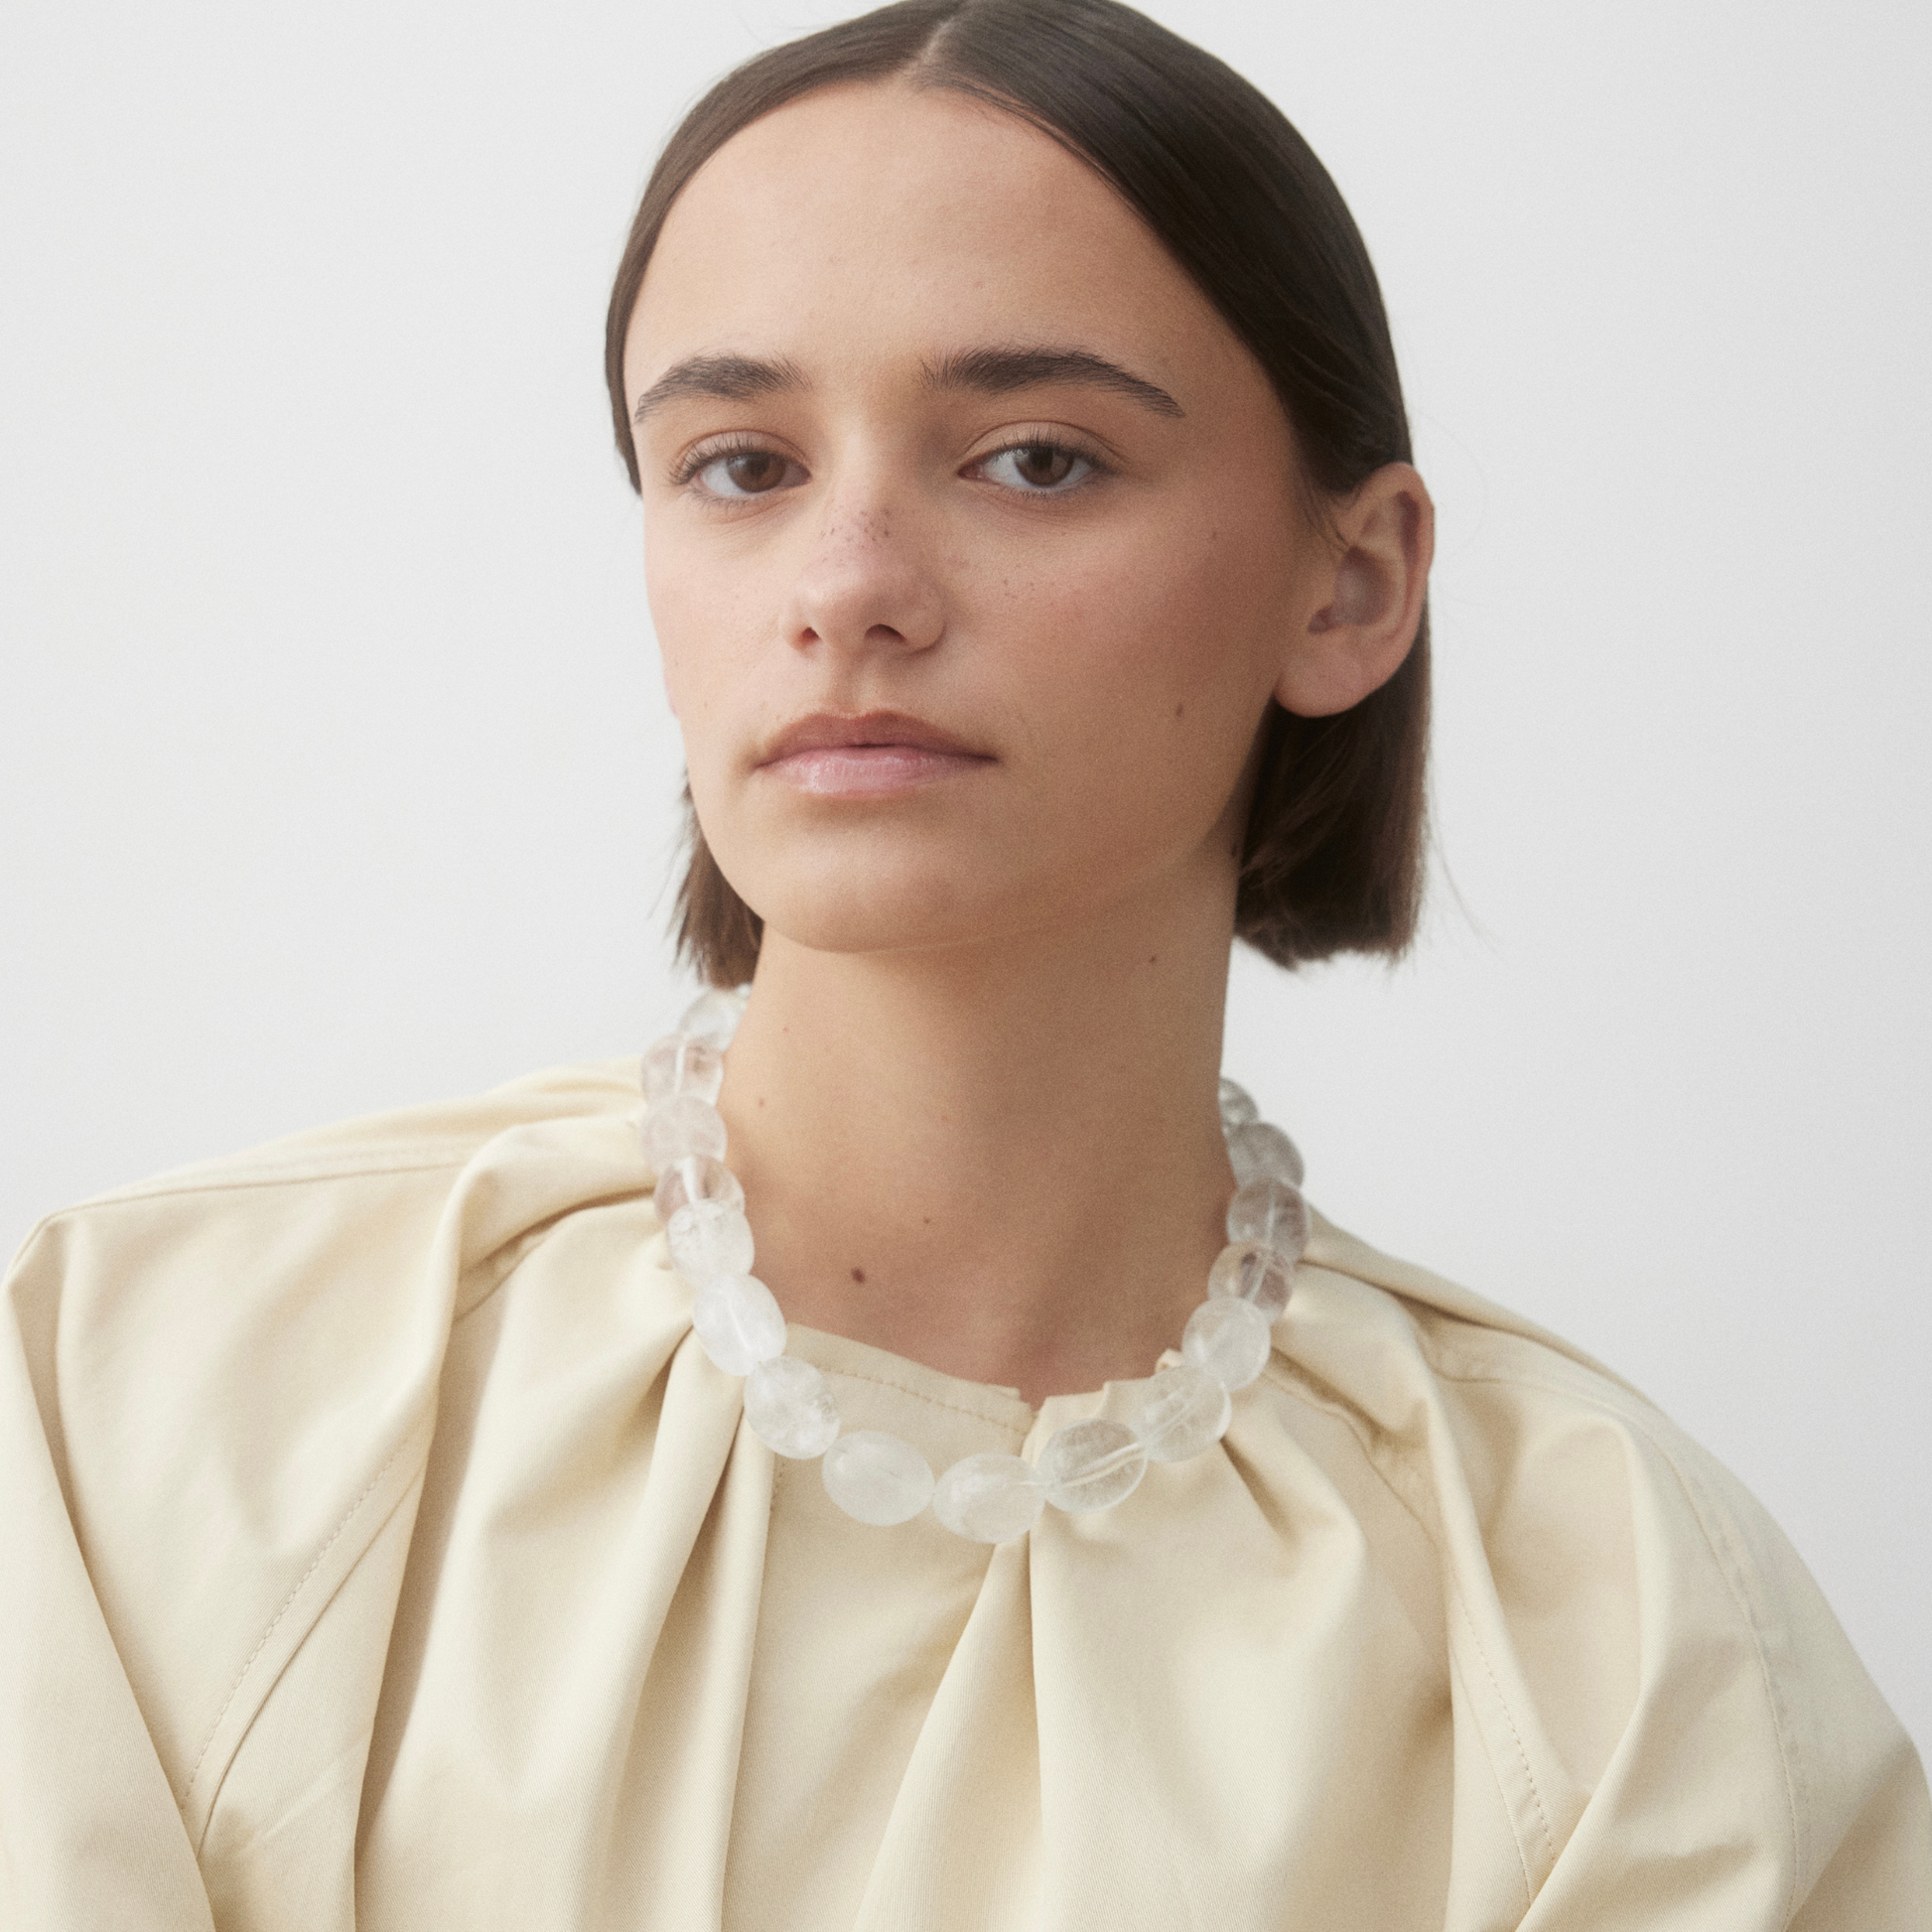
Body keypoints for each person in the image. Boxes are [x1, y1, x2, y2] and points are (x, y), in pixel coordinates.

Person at [3, 0, 1926, 1925]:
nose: (845, 584)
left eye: (1030, 458)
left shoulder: (1628, 1644)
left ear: (1348, 586)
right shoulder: (141, 1414)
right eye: (743, 465)